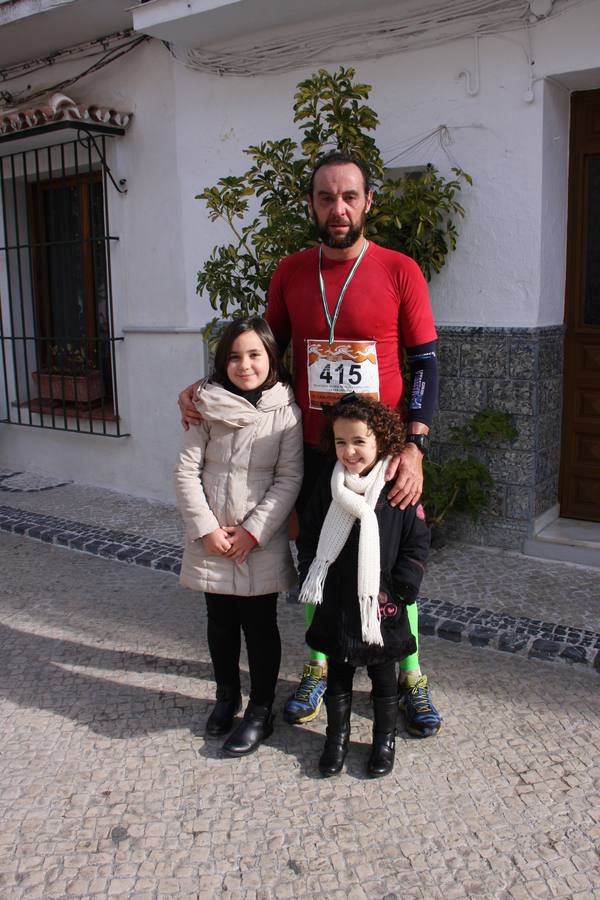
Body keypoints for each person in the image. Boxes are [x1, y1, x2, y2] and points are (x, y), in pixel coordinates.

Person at [179, 151, 441, 737]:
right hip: (317, 447)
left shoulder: (400, 269)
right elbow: (262, 356)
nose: (338, 208)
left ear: (368, 201)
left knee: (396, 560)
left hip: (383, 451)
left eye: (349, 196)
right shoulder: (291, 272)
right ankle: (319, 665)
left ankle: (410, 674)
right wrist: (205, 386)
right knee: (316, 558)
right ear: (311, 205)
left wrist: (415, 446)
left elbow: (425, 362)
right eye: (326, 197)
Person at [174, 317, 303, 756]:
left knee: (260, 625)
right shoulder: (204, 406)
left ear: (271, 358)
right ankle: (226, 696)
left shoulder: (286, 412)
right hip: (212, 536)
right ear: (221, 362)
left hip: (257, 540)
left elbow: (289, 478)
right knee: (221, 622)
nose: (244, 365)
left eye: (254, 355)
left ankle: (261, 710)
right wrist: (206, 529)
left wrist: (253, 531)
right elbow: (186, 471)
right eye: (234, 356)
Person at [297, 395, 430, 777]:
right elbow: (309, 533)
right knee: (338, 680)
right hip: (337, 603)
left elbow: (417, 541)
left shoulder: (395, 485)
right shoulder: (330, 484)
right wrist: (310, 571)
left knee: (384, 680)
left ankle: (383, 742)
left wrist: (403, 587)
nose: (350, 451)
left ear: (381, 441)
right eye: (341, 442)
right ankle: (336, 740)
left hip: (381, 605)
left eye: (359, 441)